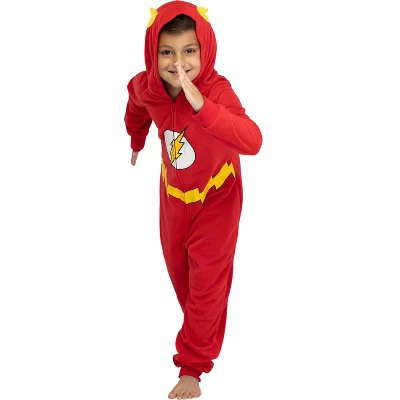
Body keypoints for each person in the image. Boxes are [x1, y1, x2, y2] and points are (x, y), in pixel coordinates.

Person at [124, 1, 262, 398]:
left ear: (205, 49)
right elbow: (136, 106)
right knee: (184, 280)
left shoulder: (216, 89)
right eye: (167, 51)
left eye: (189, 50)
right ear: (153, 53)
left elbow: (252, 140)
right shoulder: (147, 86)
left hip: (218, 196)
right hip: (173, 197)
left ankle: (193, 367)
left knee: (206, 285)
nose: (178, 62)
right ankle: (204, 326)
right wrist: (136, 139)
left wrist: (202, 105)